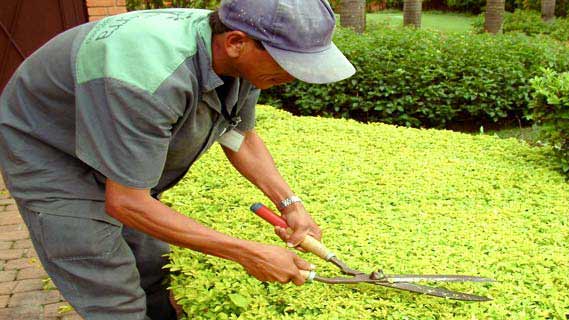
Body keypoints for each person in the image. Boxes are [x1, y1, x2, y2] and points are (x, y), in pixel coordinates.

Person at [0, 0, 355, 318]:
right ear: (235, 42)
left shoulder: (240, 56)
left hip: (109, 129)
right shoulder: (145, 76)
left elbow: (239, 136)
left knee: (152, 260)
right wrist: (249, 252)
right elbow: (126, 202)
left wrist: (291, 204)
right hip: (51, 147)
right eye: (290, 63)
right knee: (108, 286)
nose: (294, 77)